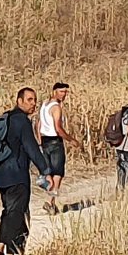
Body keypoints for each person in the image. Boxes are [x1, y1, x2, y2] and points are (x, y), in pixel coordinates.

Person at [0, 87, 50, 255]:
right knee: (18, 215)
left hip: (1, 176)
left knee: (8, 212)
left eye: (35, 100)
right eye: (30, 100)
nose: (33, 103)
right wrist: (45, 170)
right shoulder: (22, 122)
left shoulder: (5, 119)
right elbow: (32, 148)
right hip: (17, 175)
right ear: (19, 101)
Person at [37, 81, 71, 213]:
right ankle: (51, 201)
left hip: (45, 140)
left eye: (65, 92)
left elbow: (38, 125)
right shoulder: (56, 107)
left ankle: (50, 196)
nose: (64, 95)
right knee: (58, 172)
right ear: (54, 91)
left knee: (49, 171)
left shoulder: (44, 105)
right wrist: (70, 139)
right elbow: (58, 128)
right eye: (62, 91)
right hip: (55, 141)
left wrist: (40, 140)